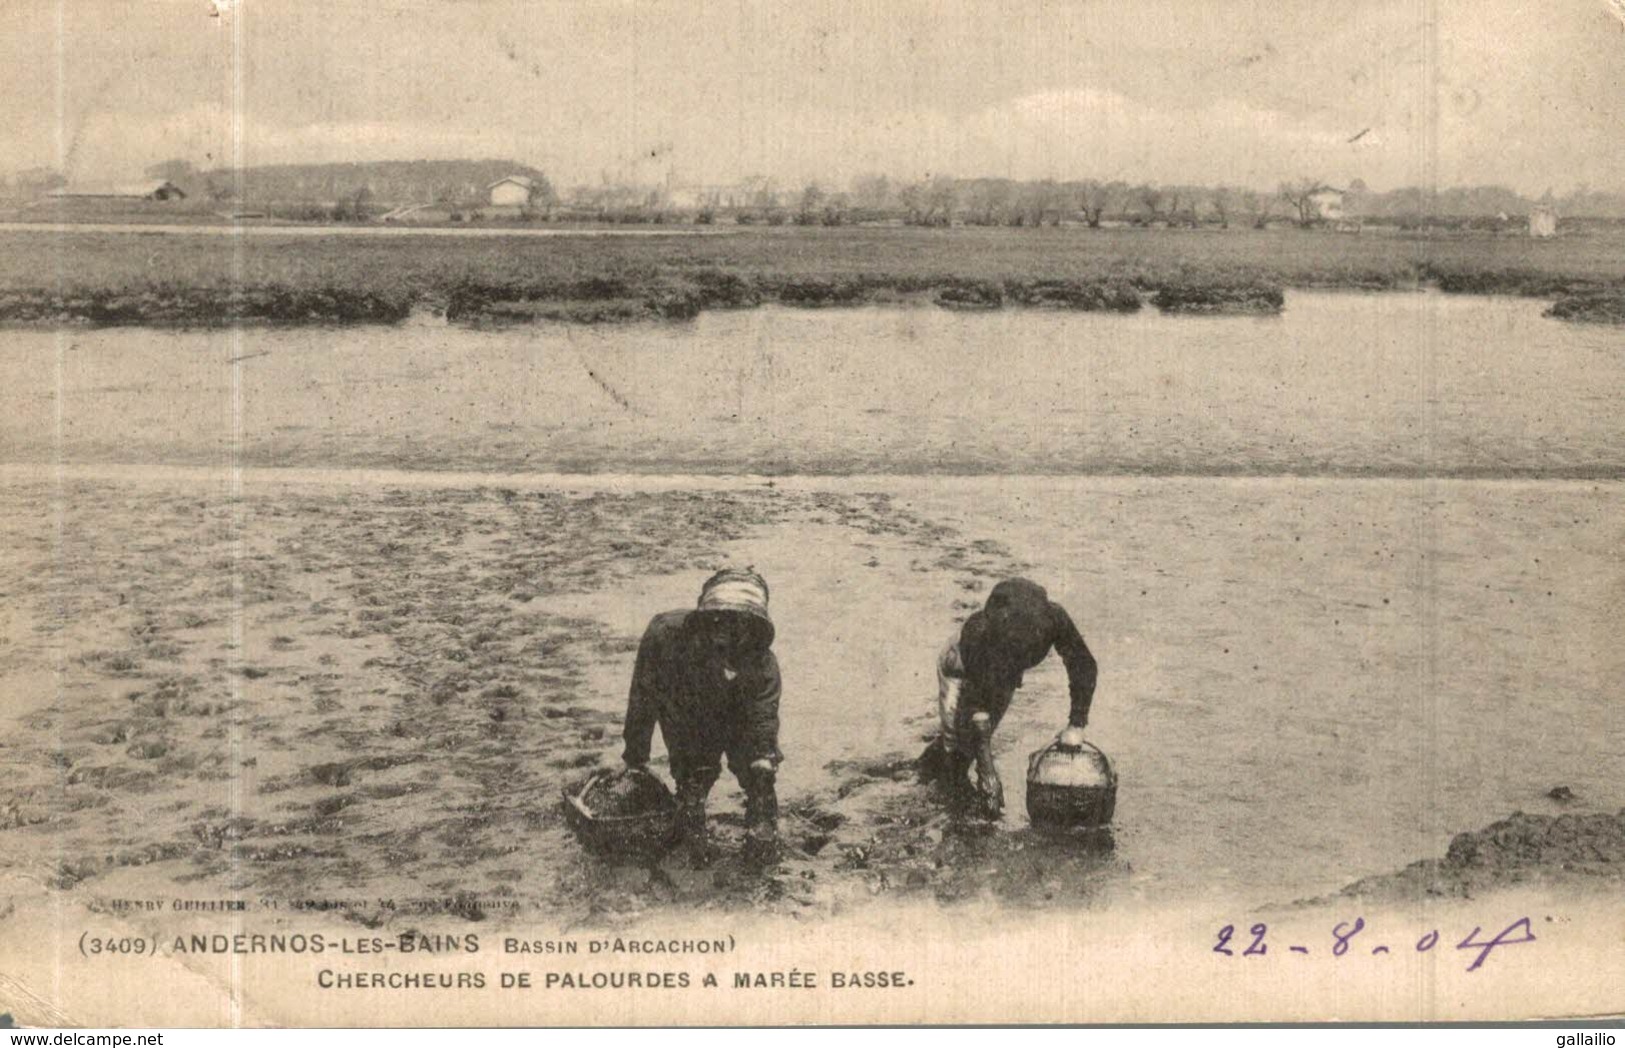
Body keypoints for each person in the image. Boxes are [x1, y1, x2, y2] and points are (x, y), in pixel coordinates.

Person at [621, 568, 782, 864]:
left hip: (738, 710)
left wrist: (762, 760)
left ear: (752, 629)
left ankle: (761, 832)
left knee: (758, 775)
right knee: (694, 774)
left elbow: (762, 720)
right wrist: (635, 756)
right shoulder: (666, 637)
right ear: (703, 621)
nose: (726, 632)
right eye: (718, 621)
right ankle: (691, 829)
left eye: (738, 625)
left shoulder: (762, 665)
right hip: (688, 707)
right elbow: (643, 699)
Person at [922, 577, 1098, 816]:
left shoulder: (1054, 618)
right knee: (956, 748)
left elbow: (1083, 664)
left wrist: (1077, 724)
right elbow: (978, 713)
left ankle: (929, 771)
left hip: (1003, 673)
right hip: (960, 670)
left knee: (967, 750)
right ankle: (935, 796)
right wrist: (988, 775)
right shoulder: (979, 636)